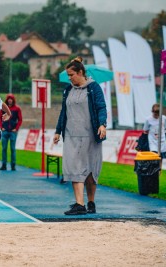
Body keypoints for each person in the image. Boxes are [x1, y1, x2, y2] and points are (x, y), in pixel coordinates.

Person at [53, 57, 107, 215]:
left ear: (81, 72)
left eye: (71, 74)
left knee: (90, 170)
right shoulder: (68, 90)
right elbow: (64, 112)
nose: (69, 78)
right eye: (68, 75)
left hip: (90, 135)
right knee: (73, 167)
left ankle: (91, 202)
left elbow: (101, 107)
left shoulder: (93, 88)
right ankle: (79, 204)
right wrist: (57, 131)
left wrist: (102, 124)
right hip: (71, 135)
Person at [0, 94, 23, 171]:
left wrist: (16, 128)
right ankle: (4, 165)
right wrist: (1, 127)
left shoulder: (17, 109)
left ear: (13, 100)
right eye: (8, 99)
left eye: (11, 99)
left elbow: (20, 119)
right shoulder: (3, 108)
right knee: (4, 148)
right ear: (7, 100)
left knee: (12, 149)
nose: (10, 100)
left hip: (13, 132)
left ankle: (13, 165)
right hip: (5, 131)